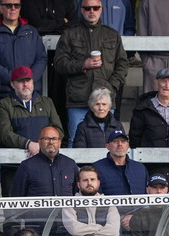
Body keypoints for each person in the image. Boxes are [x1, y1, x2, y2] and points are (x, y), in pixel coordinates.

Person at [54, 0, 129, 146]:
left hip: (105, 100)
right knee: (75, 142)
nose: (91, 11)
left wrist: (111, 86)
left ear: (101, 9)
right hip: (78, 98)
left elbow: (123, 64)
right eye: (87, 8)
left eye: (95, 8)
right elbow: (59, 63)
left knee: (108, 143)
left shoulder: (112, 34)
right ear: (81, 10)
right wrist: (83, 64)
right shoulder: (69, 34)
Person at [11, 125, 78, 236]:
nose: (51, 142)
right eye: (46, 138)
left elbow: (75, 194)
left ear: (60, 142)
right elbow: (17, 199)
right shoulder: (27, 166)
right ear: (39, 141)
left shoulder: (70, 165)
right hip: (37, 230)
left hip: (66, 229)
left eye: (54, 139)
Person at [0, 66, 63, 198]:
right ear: (12, 84)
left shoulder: (47, 103)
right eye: (20, 81)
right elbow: (3, 133)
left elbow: (58, 130)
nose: (25, 84)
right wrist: (28, 144)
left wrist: (43, 145)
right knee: (13, 211)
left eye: (28, 80)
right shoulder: (3, 105)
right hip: (14, 167)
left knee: (41, 208)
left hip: (44, 165)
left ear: (33, 82)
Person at [128, 67, 169, 192]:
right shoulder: (143, 108)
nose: (167, 85)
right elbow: (135, 139)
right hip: (152, 170)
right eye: (164, 81)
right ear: (157, 82)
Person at [62, 166, 121, 236]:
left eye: (92, 179)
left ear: (98, 183)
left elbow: (114, 232)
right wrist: (99, 227)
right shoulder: (70, 203)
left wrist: (87, 233)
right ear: (78, 184)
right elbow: (75, 230)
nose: (89, 183)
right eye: (85, 180)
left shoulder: (109, 203)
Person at [92, 128, 148, 196]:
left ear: (128, 145)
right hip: (109, 206)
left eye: (123, 141)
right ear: (107, 146)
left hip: (138, 207)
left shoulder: (140, 168)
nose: (120, 144)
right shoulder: (96, 168)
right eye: (115, 141)